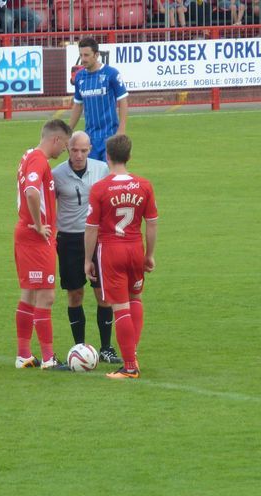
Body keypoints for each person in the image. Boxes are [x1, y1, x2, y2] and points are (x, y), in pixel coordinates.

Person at [84, 135, 157, 380]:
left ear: (107, 156)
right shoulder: (144, 185)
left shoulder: (100, 188)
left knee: (120, 306)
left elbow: (92, 228)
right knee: (135, 298)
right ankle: (132, 353)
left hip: (111, 249)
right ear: (129, 156)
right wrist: (149, 255)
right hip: (135, 246)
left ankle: (129, 366)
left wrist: (87, 259)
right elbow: (153, 223)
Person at [52, 131, 123, 364]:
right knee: (75, 294)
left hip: (97, 240)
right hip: (69, 240)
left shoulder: (102, 169)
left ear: (90, 149)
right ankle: (79, 347)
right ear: (67, 149)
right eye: (74, 150)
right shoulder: (57, 174)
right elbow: (49, 207)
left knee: (103, 293)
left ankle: (106, 347)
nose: (79, 155)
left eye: (83, 150)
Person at [14, 119, 72, 370]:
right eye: (65, 145)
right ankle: (48, 358)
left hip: (27, 237)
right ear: (56, 139)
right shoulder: (38, 159)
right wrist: (38, 225)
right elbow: (31, 191)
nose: (64, 152)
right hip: (36, 238)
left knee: (29, 294)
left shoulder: (28, 154)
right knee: (46, 296)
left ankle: (24, 355)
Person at [69, 37, 129, 162]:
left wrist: (121, 130)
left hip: (110, 136)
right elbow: (78, 105)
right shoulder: (80, 77)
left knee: (109, 175)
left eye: (87, 55)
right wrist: (68, 131)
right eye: (81, 55)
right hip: (89, 139)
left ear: (96, 55)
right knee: (92, 177)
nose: (83, 59)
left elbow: (123, 100)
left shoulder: (111, 74)